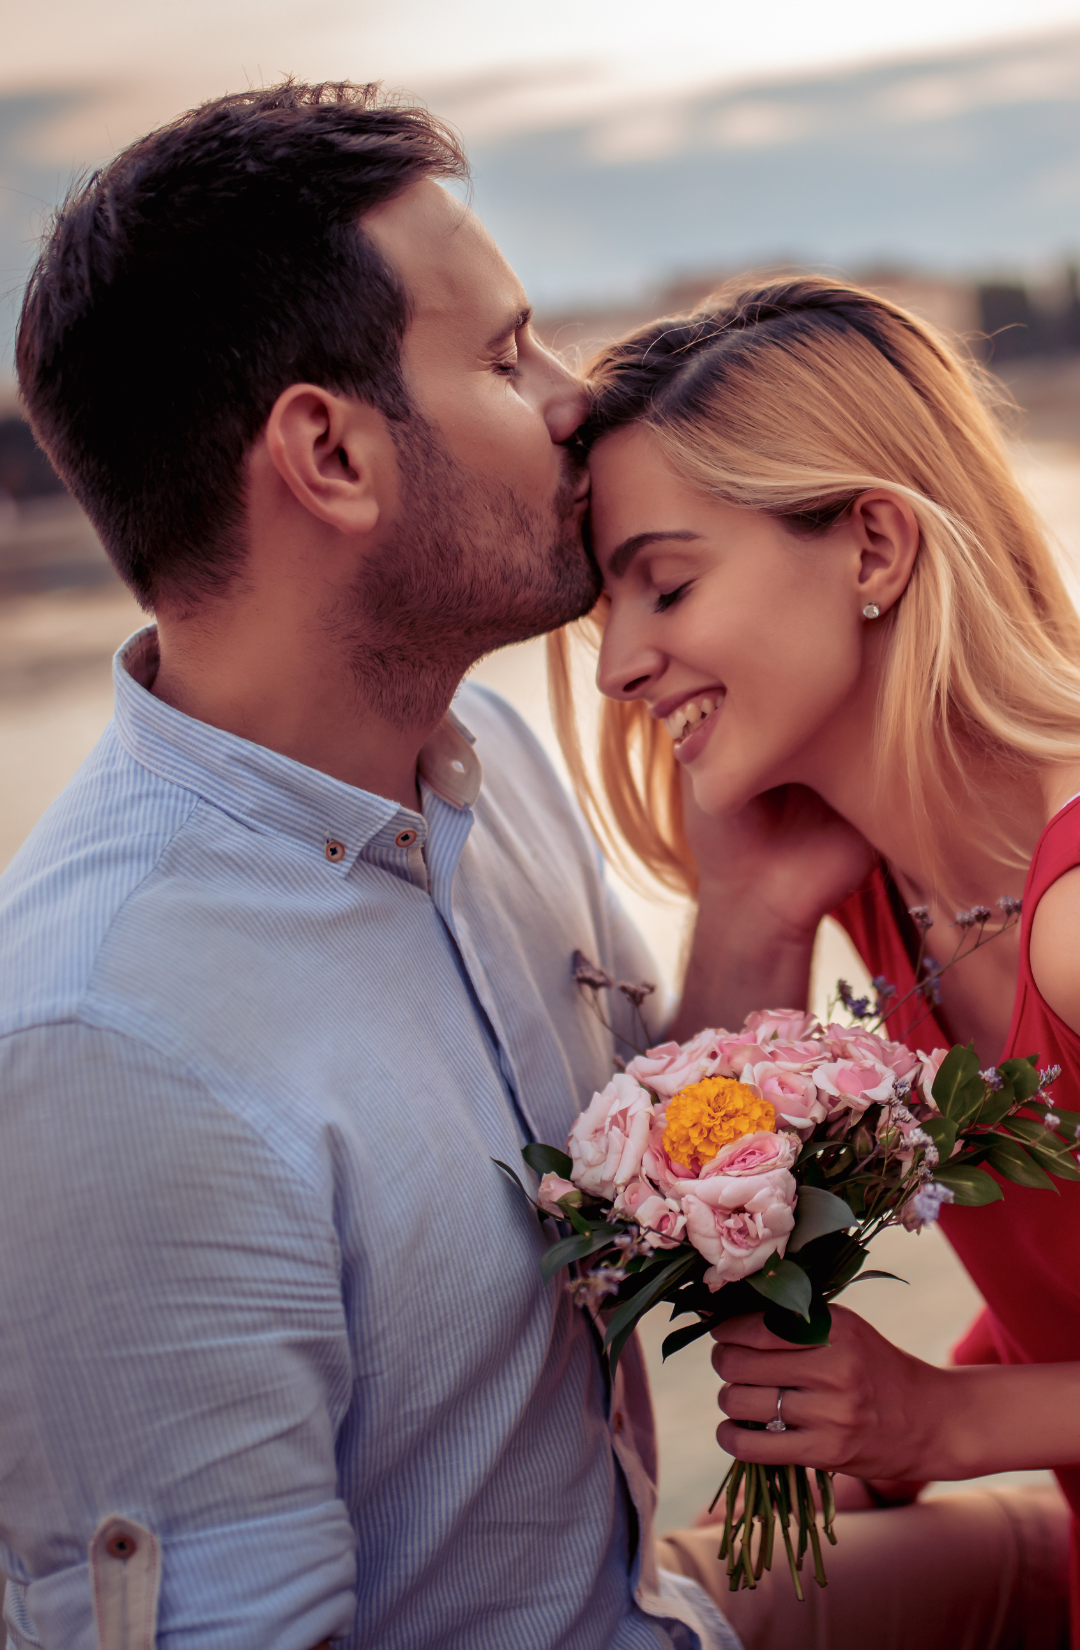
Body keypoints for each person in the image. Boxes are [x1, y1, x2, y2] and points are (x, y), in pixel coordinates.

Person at [0, 80, 774, 1650]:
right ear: (330, 452)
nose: (579, 402)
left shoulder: (486, 761)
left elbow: (663, 1204)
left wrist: (760, 892)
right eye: (504, 358)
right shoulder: (112, 1046)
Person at [550, 274, 1080, 1648]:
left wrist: (945, 1418)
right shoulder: (889, 901)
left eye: (664, 584)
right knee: (674, 1604)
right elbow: (675, 1235)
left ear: (873, 549)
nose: (616, 666)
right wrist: (754, 910)